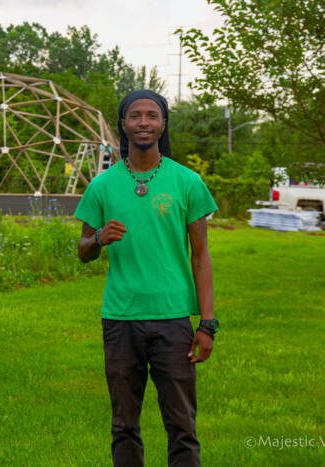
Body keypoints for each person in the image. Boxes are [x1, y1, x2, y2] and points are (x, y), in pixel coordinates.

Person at [74, 90, 219, 467]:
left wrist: (206, 323)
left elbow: (201, 256)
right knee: (124, 424)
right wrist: (99, 238)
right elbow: (83, 250)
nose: (143, 122)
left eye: (151, 115)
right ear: (122, 124)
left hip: (173, 320)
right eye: (134, 116)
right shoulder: (101, 186)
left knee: (182, 425)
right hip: (121, 318)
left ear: (163, 124)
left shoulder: (187, 181)